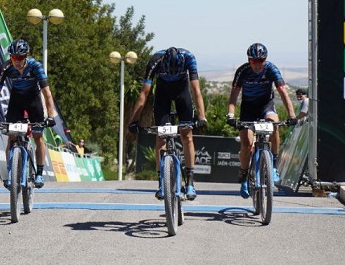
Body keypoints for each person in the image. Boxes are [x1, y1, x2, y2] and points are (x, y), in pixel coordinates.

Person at [127, 47, 207, 201]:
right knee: (161, 137)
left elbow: (196, 89)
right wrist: (133, 121)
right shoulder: (154, 61)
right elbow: (144, 93)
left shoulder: (189, 58)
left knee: (187, 135)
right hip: (162, 93)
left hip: (182, 92)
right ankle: (161, 182)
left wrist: (202, 116)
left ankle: (190, 182)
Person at [0, 38, 57, 189]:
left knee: (38, 136)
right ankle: (11, 173)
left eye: (21, 58)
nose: (17, 61)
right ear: (10, 57)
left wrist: (50, 116)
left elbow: (47, 93)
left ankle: (39, 173)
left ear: (26, 57)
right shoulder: (6, 67)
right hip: (16, 99)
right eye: (14, 57)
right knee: (11, 136)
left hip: (33, 99)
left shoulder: (35, 66)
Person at [226, 43, 296, 198]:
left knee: (274, 125)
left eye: (261, 60)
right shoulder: (242, 71)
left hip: (266, 105)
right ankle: (244, 175)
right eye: (254, 61)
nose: (258, 64)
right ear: (249, 60)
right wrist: (230, 115)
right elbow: (233, 96)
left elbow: (283, 92)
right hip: (248, 109)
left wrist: (292, 115)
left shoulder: (271, 69)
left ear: (266, 59)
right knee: (247, 145)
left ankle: (274, 166)